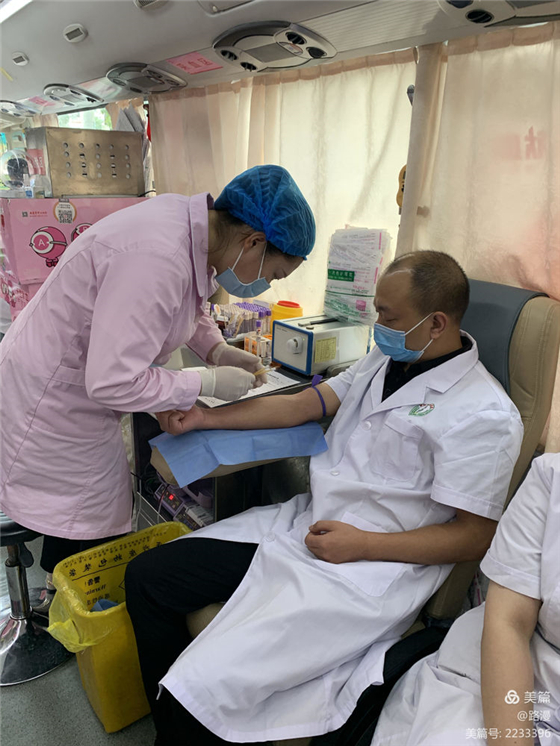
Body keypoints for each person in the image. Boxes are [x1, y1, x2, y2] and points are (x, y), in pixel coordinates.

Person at [125, 250, 524, 746]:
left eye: (388, 317)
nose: (378, 327)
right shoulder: (385, 359)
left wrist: (363, 544)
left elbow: (474, 535)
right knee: (147, 578)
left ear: (437, 323)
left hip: (371, 568)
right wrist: (206, 417)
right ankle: (170, 721)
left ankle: (181, 720)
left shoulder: (484, 414)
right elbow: (305, 403)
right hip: (306, 526)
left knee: (202, 688)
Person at [0, 165, 315, 611]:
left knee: (81, 509)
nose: (267, 285)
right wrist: (205, 381)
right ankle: (74, 614)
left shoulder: (188, 228)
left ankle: (63, 594)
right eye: (274, 274)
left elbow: (189, 302)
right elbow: (113, 379)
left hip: (68, 377)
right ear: (254, 242)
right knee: (87, 514)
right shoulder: (157, 256)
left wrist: (218, 350)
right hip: (53, 396)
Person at [371, 452, 560, 746]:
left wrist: (363, 544)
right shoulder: (551, 476)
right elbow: (508, 622)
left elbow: (473, 534)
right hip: (515, 672)